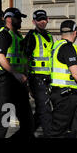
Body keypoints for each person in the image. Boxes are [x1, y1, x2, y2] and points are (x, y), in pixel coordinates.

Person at [0, 7, 34, 138]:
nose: (20, 20)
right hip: (5, 84)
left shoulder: (18, 36)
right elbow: (0, 57)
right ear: (9, 19)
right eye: (18, 18)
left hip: (18, 84)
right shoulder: (4, 34)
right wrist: (16, 73)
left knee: (28, 121)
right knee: (3, 121)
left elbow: (23, 59)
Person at [48, 20, 77, 138]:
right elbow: (76, 75)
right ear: (75, 32)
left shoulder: (57, 46)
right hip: (66, 96)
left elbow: (73, 72)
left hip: (71, 95)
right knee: (57, 132)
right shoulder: (68, 48)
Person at [22, 9, 53, 137]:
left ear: (48, 20)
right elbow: (25, 59)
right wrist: (27, 82)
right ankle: (49, 135)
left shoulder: (50, 36)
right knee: (45, 109)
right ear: (34, 21)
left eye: (44, 19)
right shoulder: (31, 36)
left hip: (49, 78)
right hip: (36, 78)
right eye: (39, 20)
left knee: (41, 109)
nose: (42, 22)